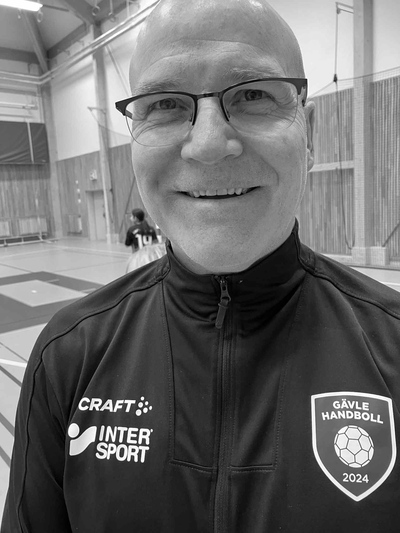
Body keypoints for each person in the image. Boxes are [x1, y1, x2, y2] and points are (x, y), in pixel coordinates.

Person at [2, 0, 400, 531]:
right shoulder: (68, 357)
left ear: (309, 134)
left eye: (253, 94)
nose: (210, 145)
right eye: (165, 103)